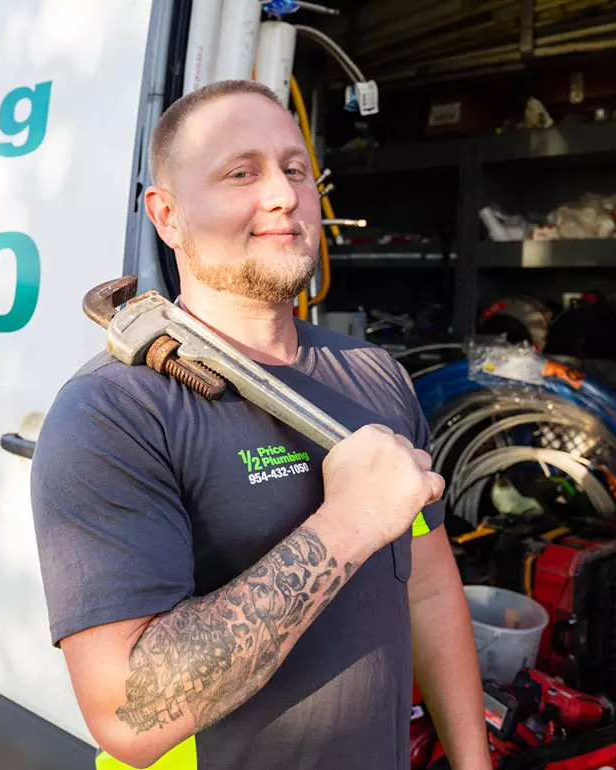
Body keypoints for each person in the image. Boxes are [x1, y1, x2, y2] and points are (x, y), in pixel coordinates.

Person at [31, 79, 490, 770]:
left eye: (296, 169)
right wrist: (349, 524)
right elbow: (128, 712)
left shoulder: (375, 377)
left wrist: (473, 763)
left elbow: (426, 583)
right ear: (167, 215)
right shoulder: (114, 411)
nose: (282, 194)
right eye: (241, 172)